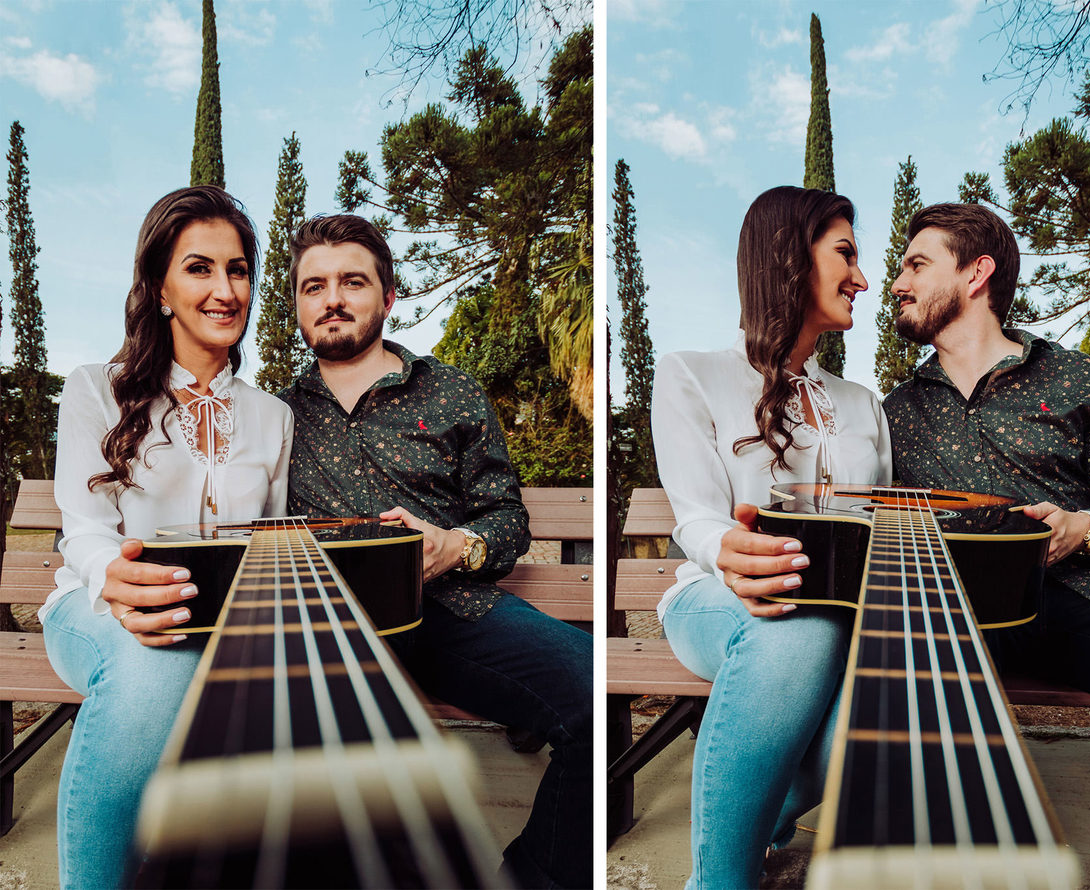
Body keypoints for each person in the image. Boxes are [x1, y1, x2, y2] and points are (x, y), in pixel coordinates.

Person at [883, 202, 1090, 890]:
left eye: (915, 265)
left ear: (976, 273)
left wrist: (1084, 527)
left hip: (1080, 600)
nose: (897, 283)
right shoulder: (895, 412)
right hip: (958, 619)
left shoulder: (1076, 377)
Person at [277, 213, 592, 889]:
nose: (332, 299)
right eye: (314, 286)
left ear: (388, 296)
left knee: (592, 691)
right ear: (298, 305)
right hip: (326, 627)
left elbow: (506, 516)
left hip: (447, 610)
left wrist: (457, 545)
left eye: (353, 281)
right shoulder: (276, 415)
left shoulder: (450, 390)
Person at [41, 185, 293, 889]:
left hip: (222, 626)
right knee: (156, 671)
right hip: (93, 608)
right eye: (199, 268)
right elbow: (83, 532)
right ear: (159, 288)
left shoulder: (273, 417)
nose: (225, 290)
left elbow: (269, 540)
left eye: (238, 270)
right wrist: (116, 582)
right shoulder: (96, 389)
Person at [650, 186, 892, 889]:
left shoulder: (863, 404)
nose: (862, 279)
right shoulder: (691, 373)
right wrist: (729, 552)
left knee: (883, 691)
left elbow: (880, 526)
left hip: (845, 616)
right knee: (798, 626)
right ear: (790, 256)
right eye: (846, 254)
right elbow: (696, 516)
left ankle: (758, 826)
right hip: (715, 599)